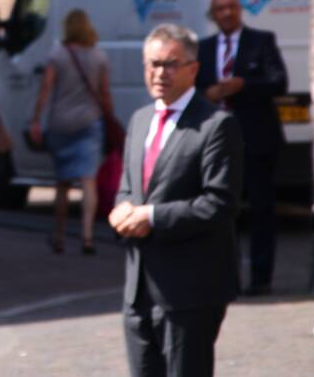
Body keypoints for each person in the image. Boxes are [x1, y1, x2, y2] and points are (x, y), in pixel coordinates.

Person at [109, 23, 243, 377]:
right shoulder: (139, 120)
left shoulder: (215, 125)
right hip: (138, 290)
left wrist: (151, 217)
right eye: (152, 64)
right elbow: (128, 187)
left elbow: (220, 203)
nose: (159, 73)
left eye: (170, 64)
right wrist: (121, 209)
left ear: (193, 69)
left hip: (190, 291)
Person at [196, 0, 287, 296]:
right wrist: (205, 95)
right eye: (220, 8)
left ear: (240, 9)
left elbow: (279, 81)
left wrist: (244, 85)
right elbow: (190, 90)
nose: (227, 13)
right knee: (221, 211)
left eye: (232, 7)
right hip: (217, 143)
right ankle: (226, 277)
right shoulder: (203, 49)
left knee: (261, 211)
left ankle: (262, 278)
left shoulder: (261, 42)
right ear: (213, 14)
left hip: (256, 139)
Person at [29, 9, 111, 254]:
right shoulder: (99, 57)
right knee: (88, 181)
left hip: (61, 123)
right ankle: (87, 236)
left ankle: (60, 235)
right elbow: (104, 92)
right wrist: (110, 116)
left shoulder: (57, 55)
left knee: (63, 183)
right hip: (90, 122)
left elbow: (46, 88)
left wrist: (36, 119)